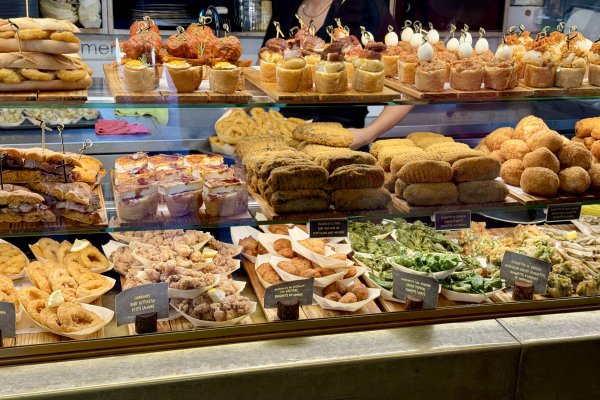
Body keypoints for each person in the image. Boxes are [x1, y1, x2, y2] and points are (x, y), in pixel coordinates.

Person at [262, 0, 413, 149]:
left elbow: (408, 83)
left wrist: (367, 134)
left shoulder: (366, 7)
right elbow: (263, 74)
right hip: (287, 136)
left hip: (345, 140)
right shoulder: (285, 6)